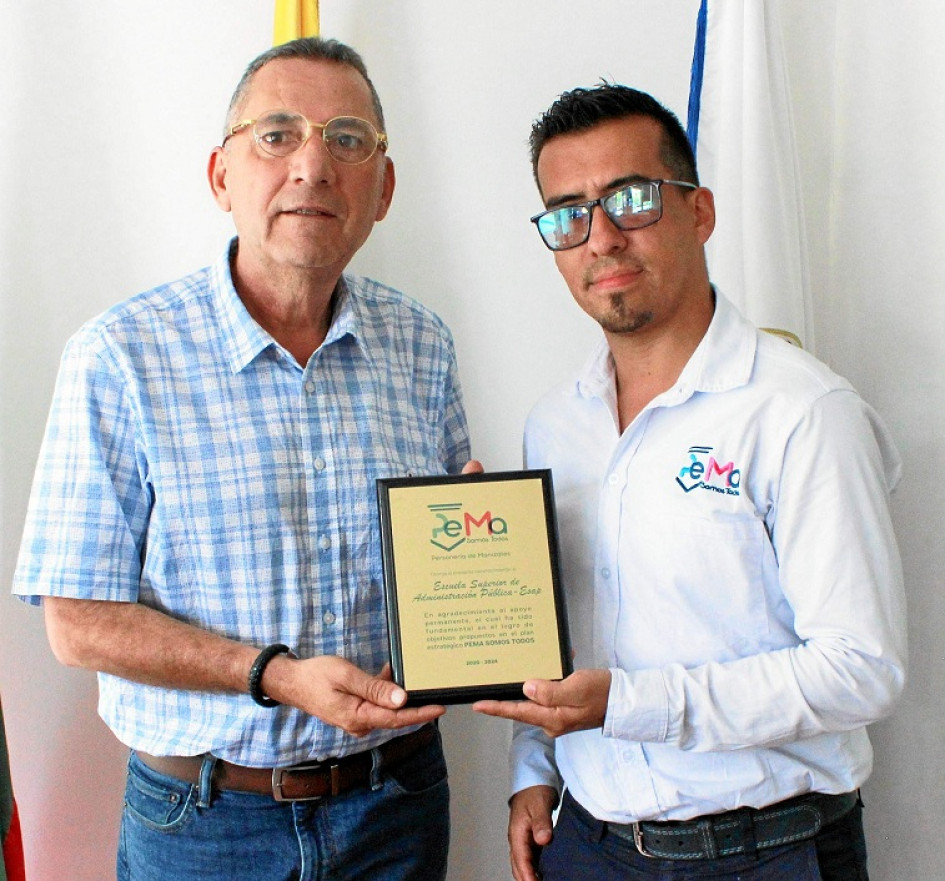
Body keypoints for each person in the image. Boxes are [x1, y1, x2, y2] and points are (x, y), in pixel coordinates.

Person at [13, 37, 476, 881]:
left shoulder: (422, 345)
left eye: (347, 139)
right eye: (276, 134)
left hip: (397, 805)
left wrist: (476, 551)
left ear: (384, 187)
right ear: (221, 174)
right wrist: (274, 676)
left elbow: (445, 576)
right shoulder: (120, 355)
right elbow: (75, 620)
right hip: (205, 823)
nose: (312, 165)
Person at [474, 83, 906, 881]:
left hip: (765, 853)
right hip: (586, 845)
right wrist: (532, 771)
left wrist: (627, 704)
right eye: (567, 213)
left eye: (630, 199)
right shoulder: (552, 425)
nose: (599, 237)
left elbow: (860, 667)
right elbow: (551, 631)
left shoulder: (803, 411)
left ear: (699, 211)